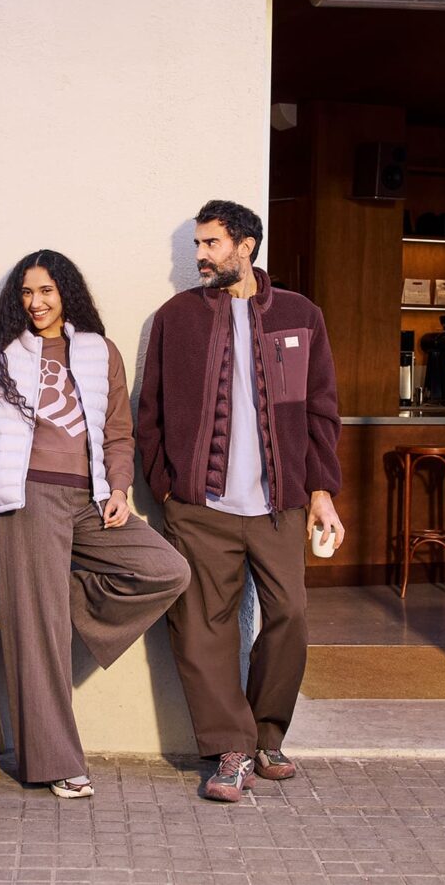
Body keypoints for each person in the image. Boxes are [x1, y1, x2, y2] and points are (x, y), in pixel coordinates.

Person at [0, 250, 191, 798]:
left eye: (46, 291)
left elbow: (117, 430)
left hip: (87, 499)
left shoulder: (96, 351)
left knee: (167, 569)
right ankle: (55, 763)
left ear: (66, 293)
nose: (35, 303)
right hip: (27, 497)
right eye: (25, 293)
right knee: (39, 637)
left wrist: (117, 486)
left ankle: (46, 595)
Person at [135, 199, 345, 803]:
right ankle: (231, 750)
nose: (199, 256)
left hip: (280, 503)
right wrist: (169, 487)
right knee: (203, 627)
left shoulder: (300, 315)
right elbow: (150, 413)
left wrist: (321, 492)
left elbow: (321, 411)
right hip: (202, 508)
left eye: (211, 244)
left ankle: (267, 735)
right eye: (196, 245)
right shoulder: (177, 318)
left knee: (291, 615)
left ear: (246, 246)